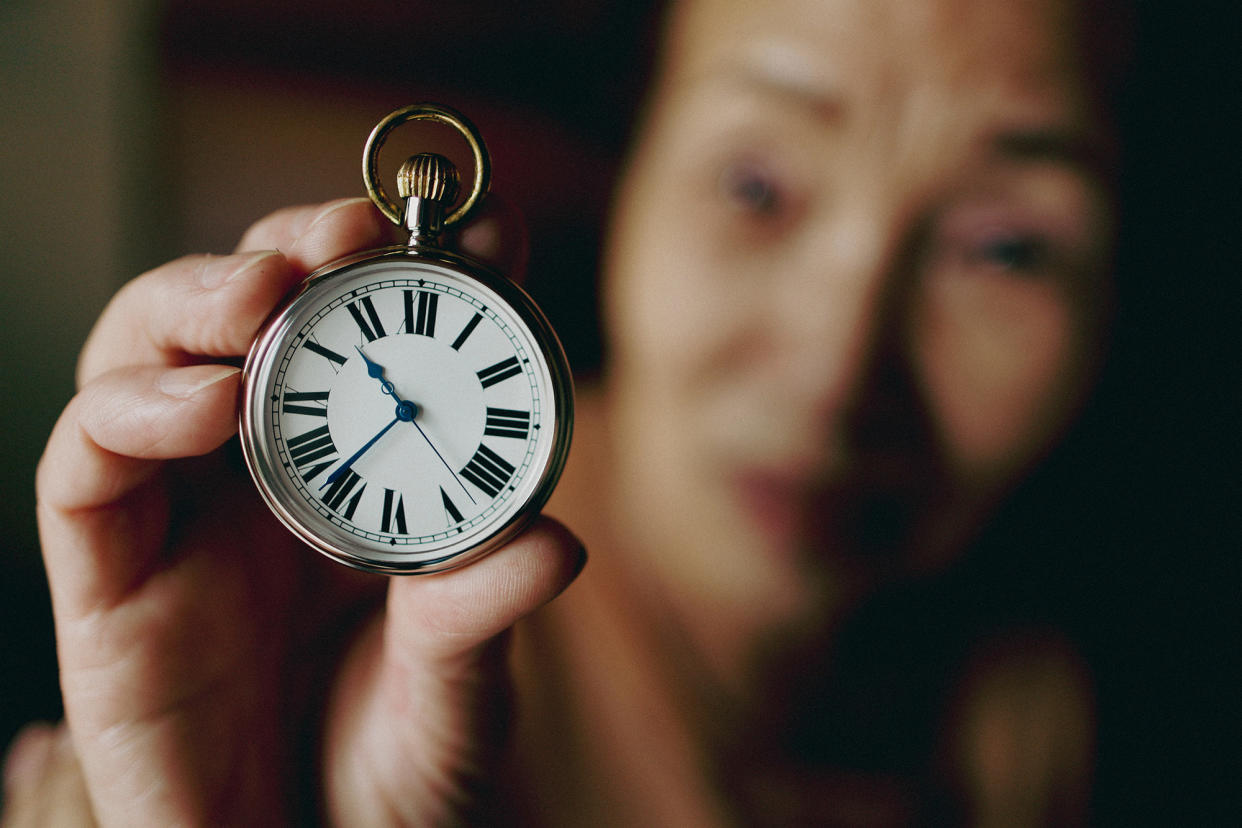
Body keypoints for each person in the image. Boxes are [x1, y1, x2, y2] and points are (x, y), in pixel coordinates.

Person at [4, 0, 1232, 824]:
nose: (836, 366)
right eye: (756, 184)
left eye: (1008, 248)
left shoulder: (1056, 708)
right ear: (629, 166)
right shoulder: (286, 680)